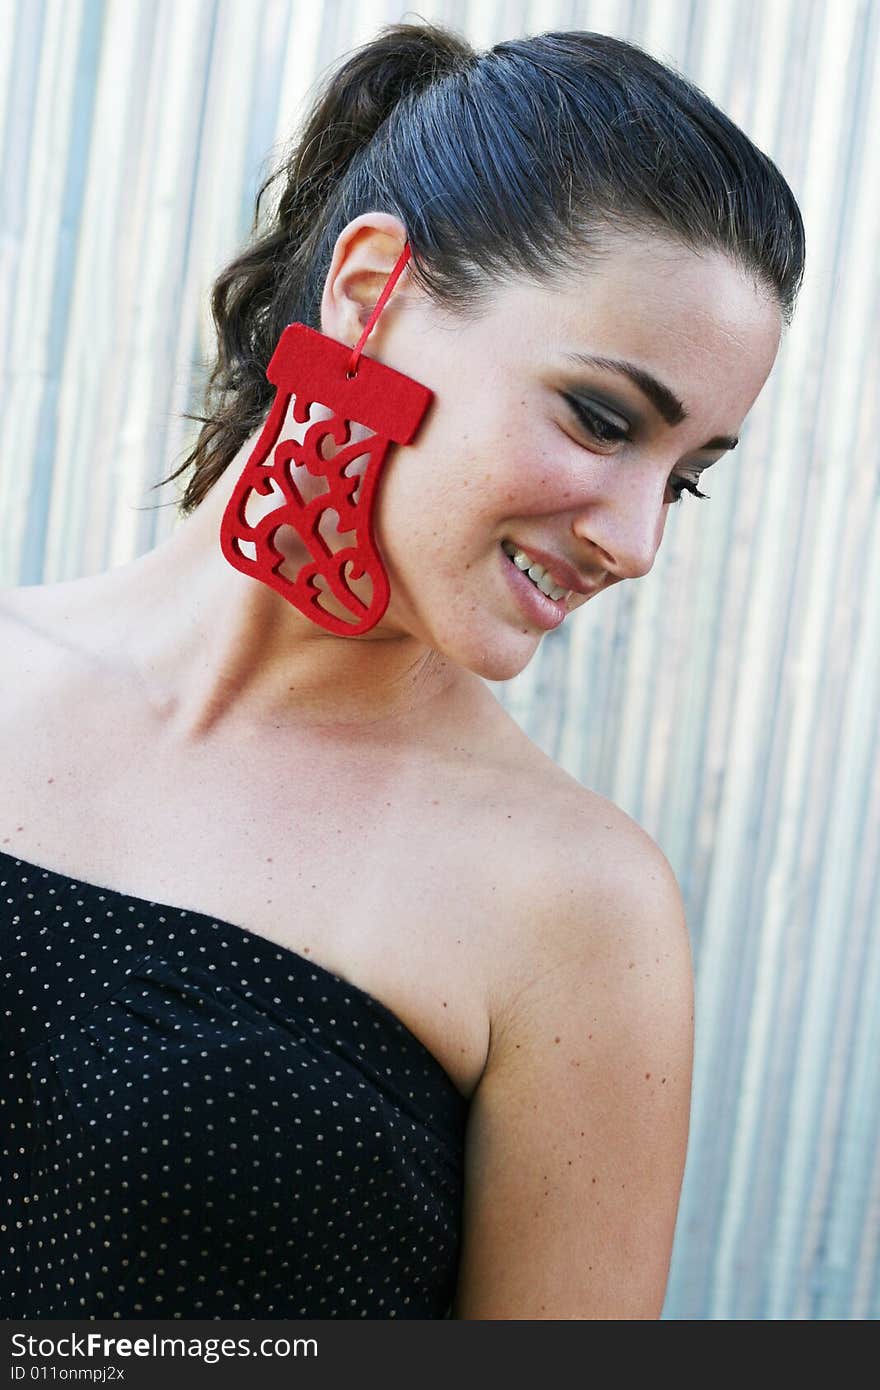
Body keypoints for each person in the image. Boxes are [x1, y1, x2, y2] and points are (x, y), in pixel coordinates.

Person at [0, 21, 804, 1320]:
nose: (639, 538)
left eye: (686, 475)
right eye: (603, 418)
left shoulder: (580, 917)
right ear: (372, 292)